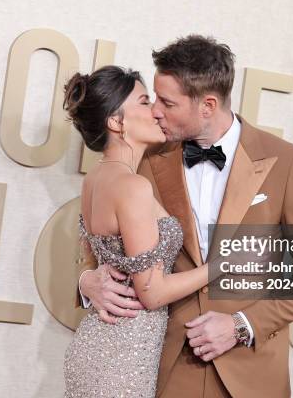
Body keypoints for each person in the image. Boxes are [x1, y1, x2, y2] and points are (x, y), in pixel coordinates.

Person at [77, 35, 293, 397]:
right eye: (153, 99)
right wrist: (87, 281)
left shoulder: (287, 162)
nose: (156, 112)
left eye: (167, 103)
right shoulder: (146, 159)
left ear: (208, 105)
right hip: (163, 367)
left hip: (250, 372)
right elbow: (102, 236)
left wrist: (242, 325)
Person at [63, 65, 216, 397]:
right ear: (116, 122)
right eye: (145, 102)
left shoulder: (95, 179)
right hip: (123, 357)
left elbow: (97, 259)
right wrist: (219, 268)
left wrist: (87, 279)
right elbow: (152, 292)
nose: (157, 112)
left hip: (103, 344)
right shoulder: (131, 186)